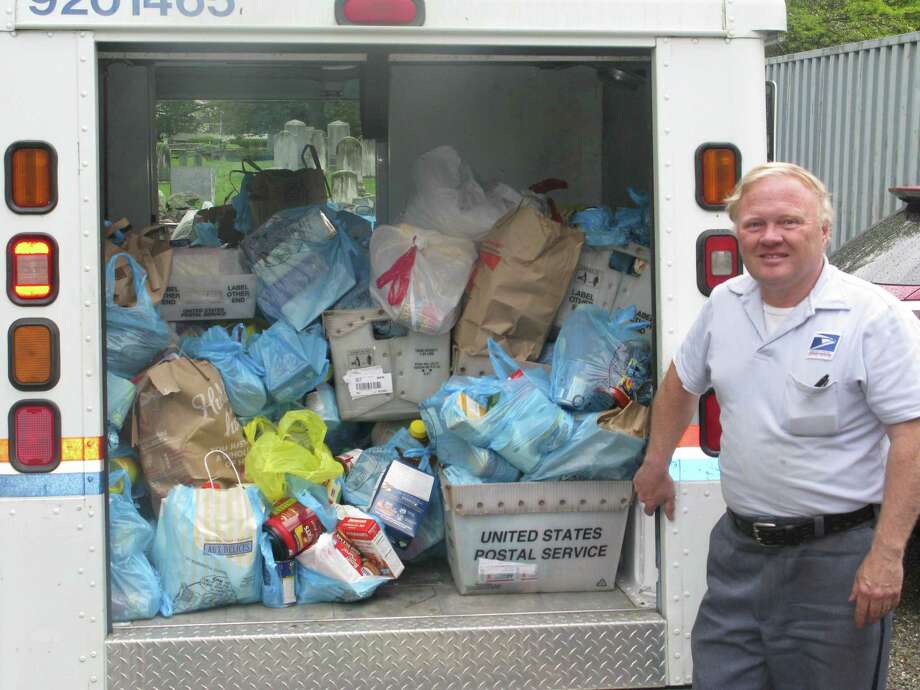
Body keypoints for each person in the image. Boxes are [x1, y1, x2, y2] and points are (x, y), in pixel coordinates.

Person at [634, 162, 920, 690]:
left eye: (789, 222)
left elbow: (912, 440)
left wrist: (887, 555)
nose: (770, 237)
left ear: (824, 230)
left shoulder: (873, 318)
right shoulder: (725, 304)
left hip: (832, 564)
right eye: (754, 224)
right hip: (738, 553)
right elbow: (681, 382)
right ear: (737, 231)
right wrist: (655, 464)